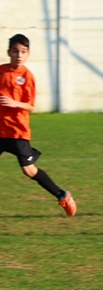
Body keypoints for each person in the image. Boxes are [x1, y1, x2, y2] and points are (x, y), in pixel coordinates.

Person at [0, 34, 77, 217]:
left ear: (28, 54)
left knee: (29, 170)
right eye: (15, 51)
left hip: (17, 132)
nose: (19, 55)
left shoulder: (27, 77)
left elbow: (31, 106)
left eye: (23, 52)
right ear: (9, 52)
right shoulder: (1, 71)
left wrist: (15, 103)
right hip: (0, 130)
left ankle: (62, 194)